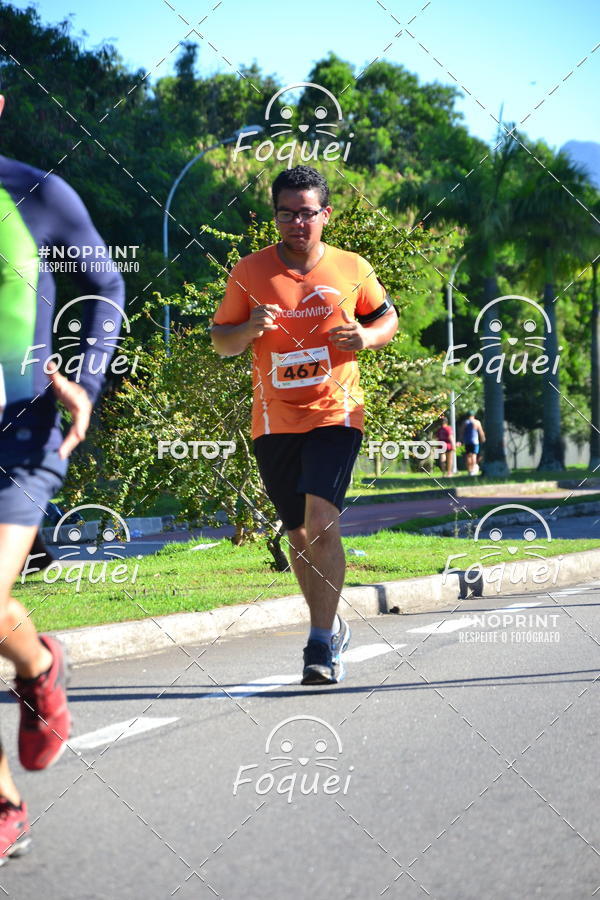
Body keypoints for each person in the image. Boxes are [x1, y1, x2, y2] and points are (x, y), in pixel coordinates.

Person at [0, 82, 125, 864]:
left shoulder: (35, 193)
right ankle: (5, 800)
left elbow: (105, 284)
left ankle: (40, 670)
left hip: (22, 431)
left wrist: (86, 376)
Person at [211, 165, 398, 685]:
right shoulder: (249, 272)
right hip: (273, 420)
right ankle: (331, 621)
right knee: (296, 532)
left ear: (325, 214)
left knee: (321, 523)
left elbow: (387, 318)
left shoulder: (351, 266)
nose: (297, 223)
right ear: (276, 217)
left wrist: (367, 338)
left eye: (307, 213)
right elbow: (220, 341)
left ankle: (318, 645)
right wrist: (247, 330)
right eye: (287, 213)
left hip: (336, 412)